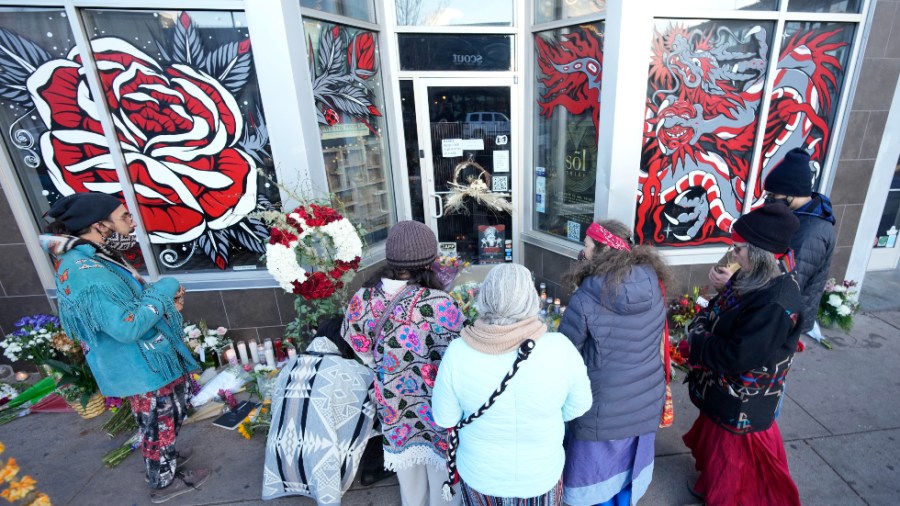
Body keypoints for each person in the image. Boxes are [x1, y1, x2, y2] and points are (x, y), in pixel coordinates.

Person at [41, 192, 205, 504]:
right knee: (157, 421)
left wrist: (162, 302)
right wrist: (165, 288)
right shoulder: (86, 273)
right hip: (138, 365)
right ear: (98, 225)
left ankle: (165, 454)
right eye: (124, 216)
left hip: (145, 358)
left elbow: (126, 305)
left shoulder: (91, 256)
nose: (132, 221)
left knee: (171, 411)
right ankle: (163, 482)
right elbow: (126, 326)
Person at [431, 264, 592, 505]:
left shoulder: (457, 352)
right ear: (531, 300)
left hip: (480, 476)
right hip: (540, 476)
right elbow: (578, 407)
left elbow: (445, 418)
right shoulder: (560, 348)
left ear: (484, 297)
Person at [682, 203, 803, 506]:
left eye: (737, 249)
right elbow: (719, 309)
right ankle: (711, 485)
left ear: (760, 253)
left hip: (744, 399)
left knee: (734, 467)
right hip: (725, 391)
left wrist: (695, 342)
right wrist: (702, 322)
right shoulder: (753, 276)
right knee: (718, 452)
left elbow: (738, 355)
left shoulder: (775, 303)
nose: (732, 254)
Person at [341, 220, 466, 506]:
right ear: (431, 261)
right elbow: (459, 355)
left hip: (393, 406)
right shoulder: (440, 303)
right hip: (436, 408)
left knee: (409, 484)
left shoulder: (363, 299)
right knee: (443, 478)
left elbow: (362, 351)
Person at [558, 220, 670, 506]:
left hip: (602, 410)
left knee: (595, 483)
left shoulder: (586, 296)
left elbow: (566, 353)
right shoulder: (651, 282)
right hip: (644, 401)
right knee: (626, 479)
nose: (582, 250)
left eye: (586, 244)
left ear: (602, 249)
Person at [710, 148, 835, 342]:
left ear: (791, 195)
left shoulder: (811, 233)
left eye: (772, 195)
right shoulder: (798, 218)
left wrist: (733, 285)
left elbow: (787, 283)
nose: (768, 200)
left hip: (781, 319)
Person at [263, 315, 385, 504]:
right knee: (382, 407)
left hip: (281, 454)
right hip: (320, 452)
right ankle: (373, 468)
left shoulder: (290, 365)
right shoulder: (351, 369)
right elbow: (379, 395)